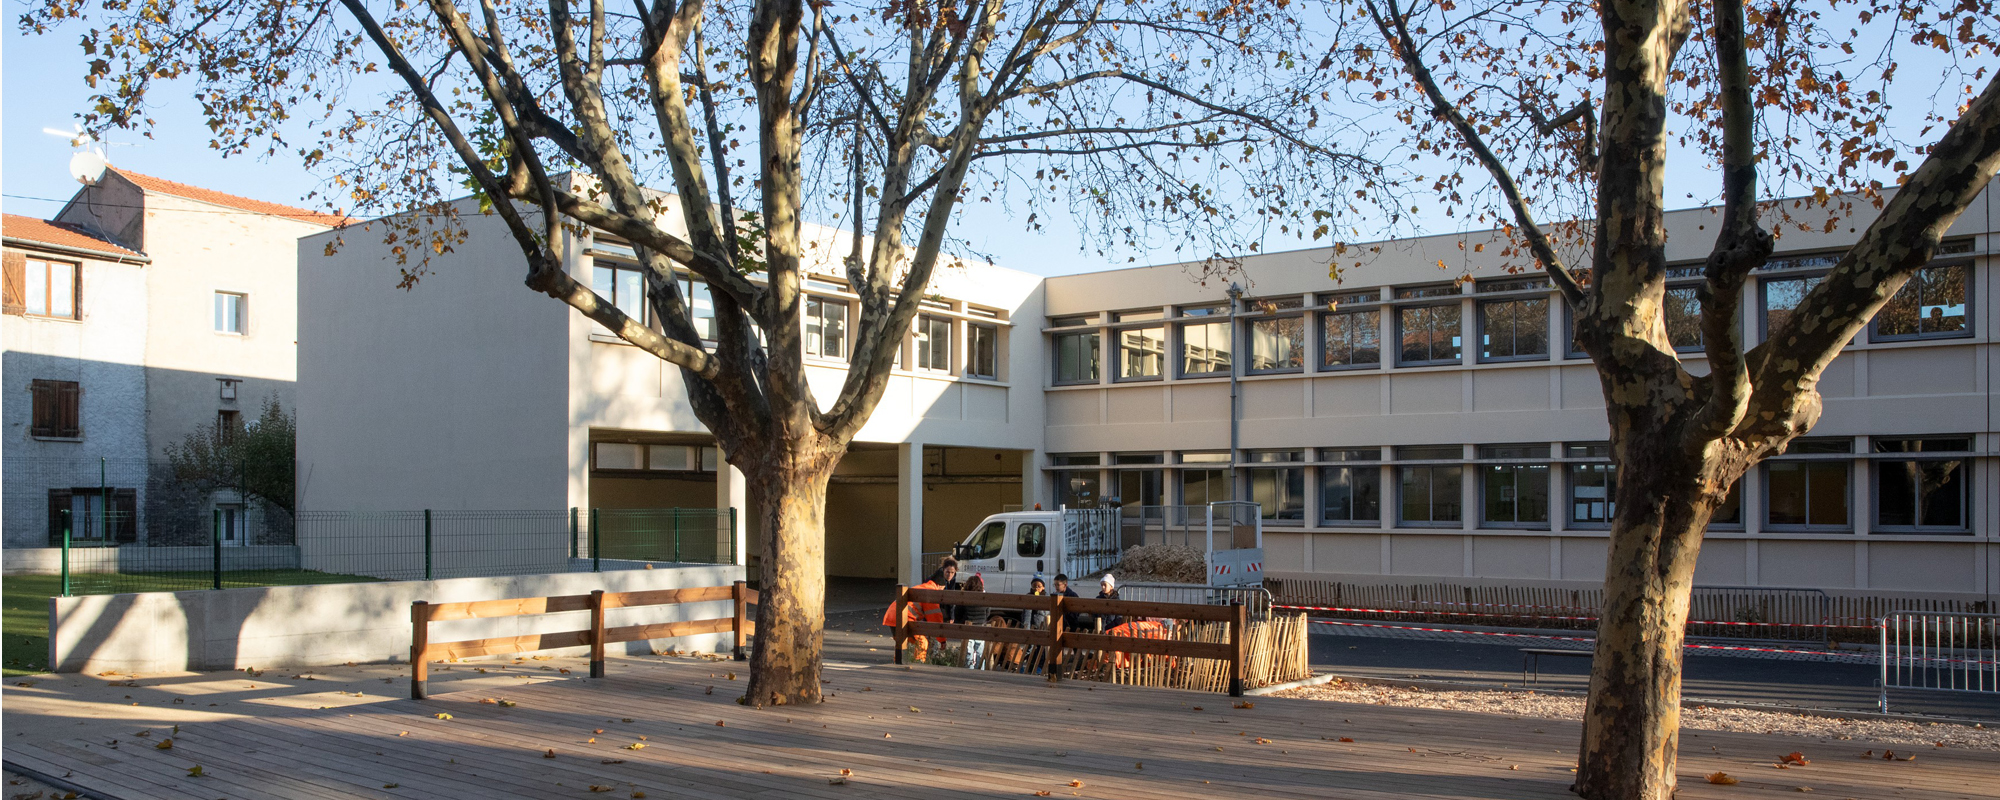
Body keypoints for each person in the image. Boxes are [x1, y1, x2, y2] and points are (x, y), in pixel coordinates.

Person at [882, 557, 956, 663]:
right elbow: (935, 619)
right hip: (904, 619)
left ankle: (897, 663)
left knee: (902, 642)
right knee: (922, 643)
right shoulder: (931, 594)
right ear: (940, 586)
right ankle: (918, 664)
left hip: (891, 617)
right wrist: (942, 640)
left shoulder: (922, 587)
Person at [958, 573, 994, 668]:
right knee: (980, 653)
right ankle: (980, 671)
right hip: (981, 626)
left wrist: (961, 621)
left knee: (968, 653)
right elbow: (988, 612)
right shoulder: (984, 598)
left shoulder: (964, 597)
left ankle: (969, 670)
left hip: (968, 627)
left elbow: (959, 612)